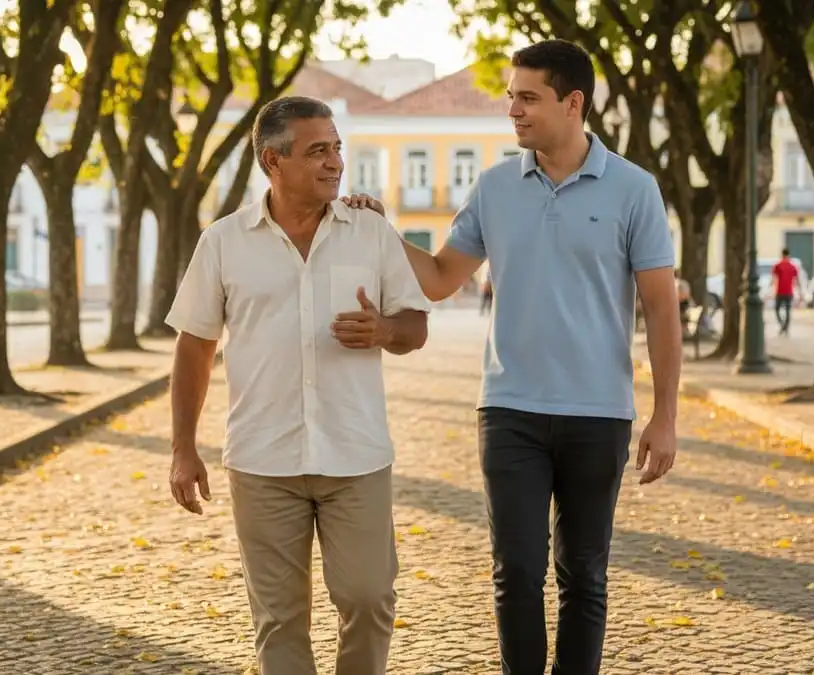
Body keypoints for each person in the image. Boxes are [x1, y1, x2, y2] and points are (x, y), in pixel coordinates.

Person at [343, 39, 681, 675]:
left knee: (584, 574)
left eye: (528, 98)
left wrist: (665, 416)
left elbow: (661, 307)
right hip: (509, 410)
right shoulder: (495, 187)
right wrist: (381, 231)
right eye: (510, 98)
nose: (513, 111)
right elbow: (443, 278)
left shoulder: (635, 190)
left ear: (573, 102)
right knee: (516, 570)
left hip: (598, 411)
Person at [165, 95, 429, 675]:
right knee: (279, 619)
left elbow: (415, 327)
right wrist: (183, 449)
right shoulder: (223, 241)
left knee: (368, 596)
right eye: (318, 151)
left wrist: (384, 329)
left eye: (336, 148)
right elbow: (195, 346)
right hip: (263, 461)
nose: (335, 161)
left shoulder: (371, 232)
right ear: (273, 161)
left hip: (356, 456)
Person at [771, 248, 800, 335]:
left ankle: (783, 325)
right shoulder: (792, 266)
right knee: (788, 310)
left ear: (782, 254)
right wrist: (799, 290)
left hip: (779, 291)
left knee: (776, 309)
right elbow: (796, 279)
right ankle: (785, 327)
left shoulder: (777, 266)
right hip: (789, 291)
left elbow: (773, 278)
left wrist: (771, 288)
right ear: (788, 255)